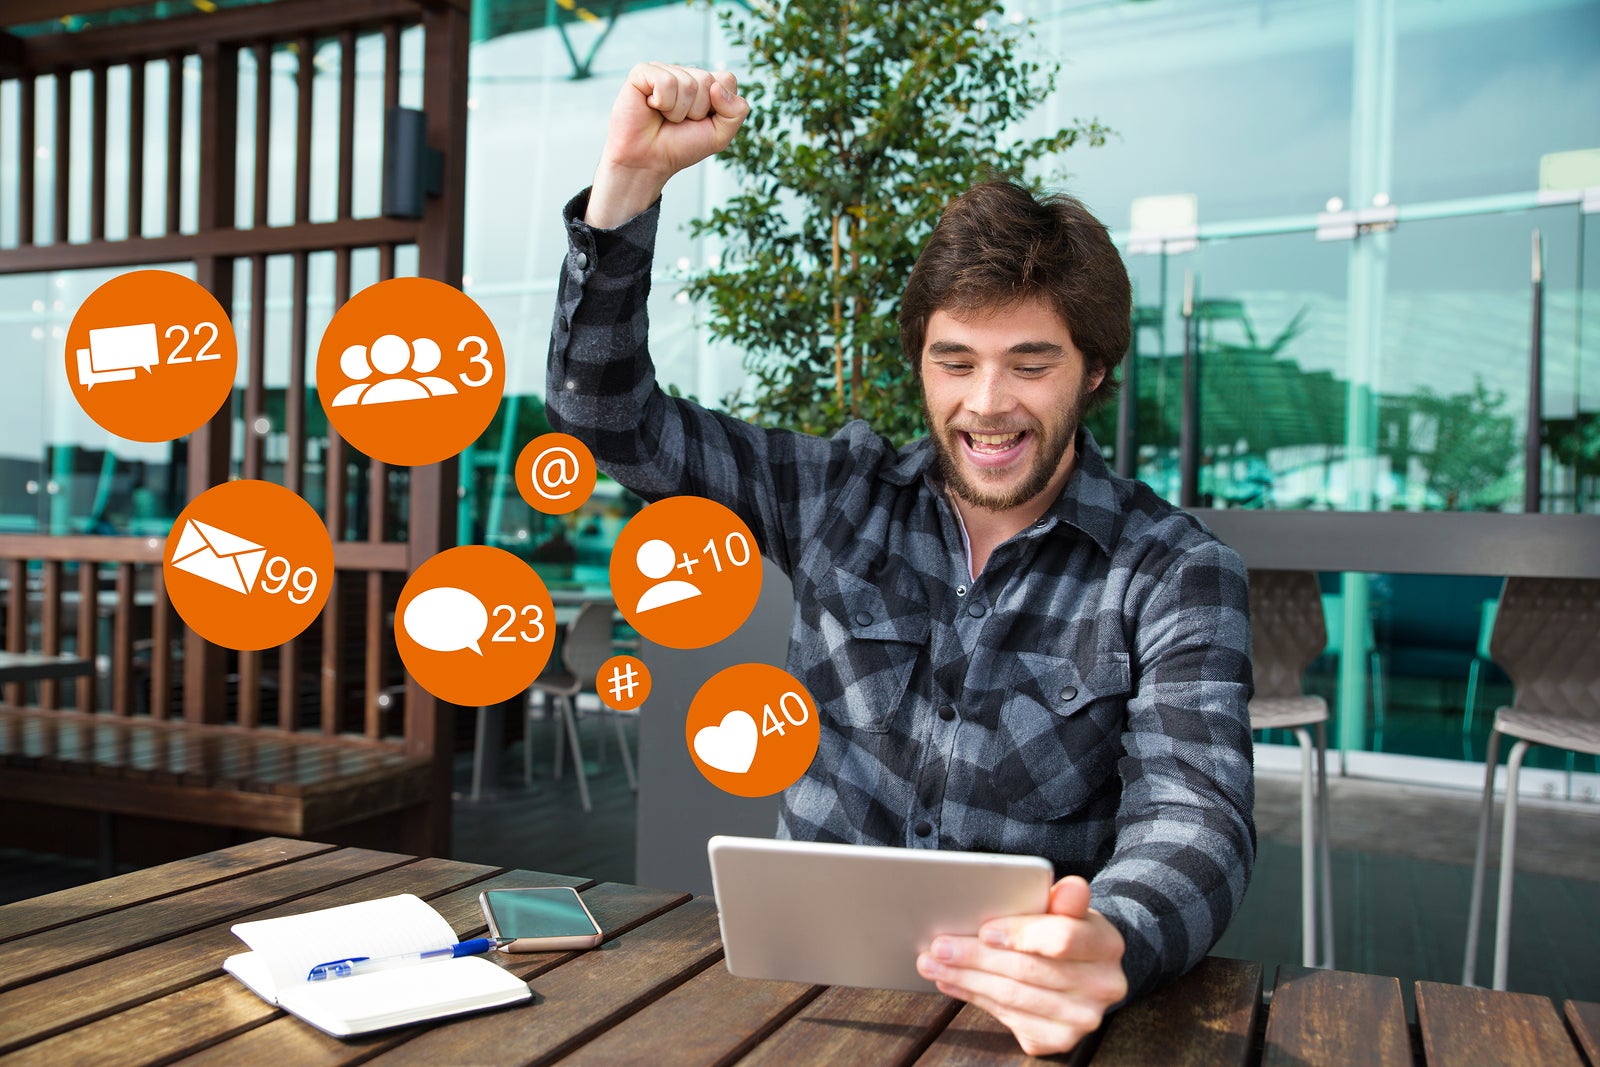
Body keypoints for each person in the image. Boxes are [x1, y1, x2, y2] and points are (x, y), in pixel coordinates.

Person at [546, 62, 1255, 1057]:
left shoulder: (1173, 570)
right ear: (919, 359)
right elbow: (603, 417)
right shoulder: (835, 493)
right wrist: (626, 185)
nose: (987, 403)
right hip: (799, 1009)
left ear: (1092, 370)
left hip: (1016, 1026)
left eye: (1030, 363)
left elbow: (1197, 814)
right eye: (955, 360)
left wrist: (1113, 936)